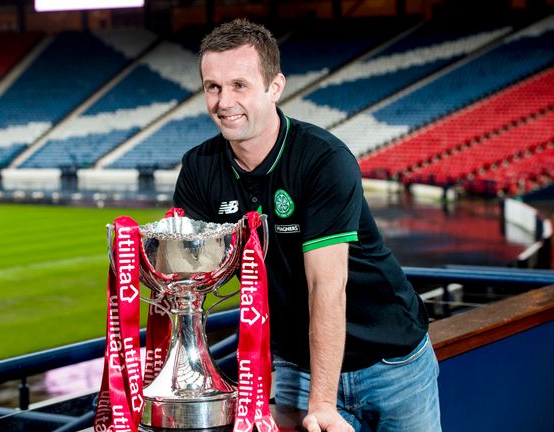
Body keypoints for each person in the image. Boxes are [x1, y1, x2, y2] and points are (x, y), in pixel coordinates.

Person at [172, 19, 441, 432]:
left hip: (390, 361)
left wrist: (323, 404)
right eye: (213, 86)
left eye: (239, 85)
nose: (224, 102)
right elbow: (191, 277)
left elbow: (326, 286)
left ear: (274, 87)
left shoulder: (322, 158)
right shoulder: (199, 167)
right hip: (296, 363)